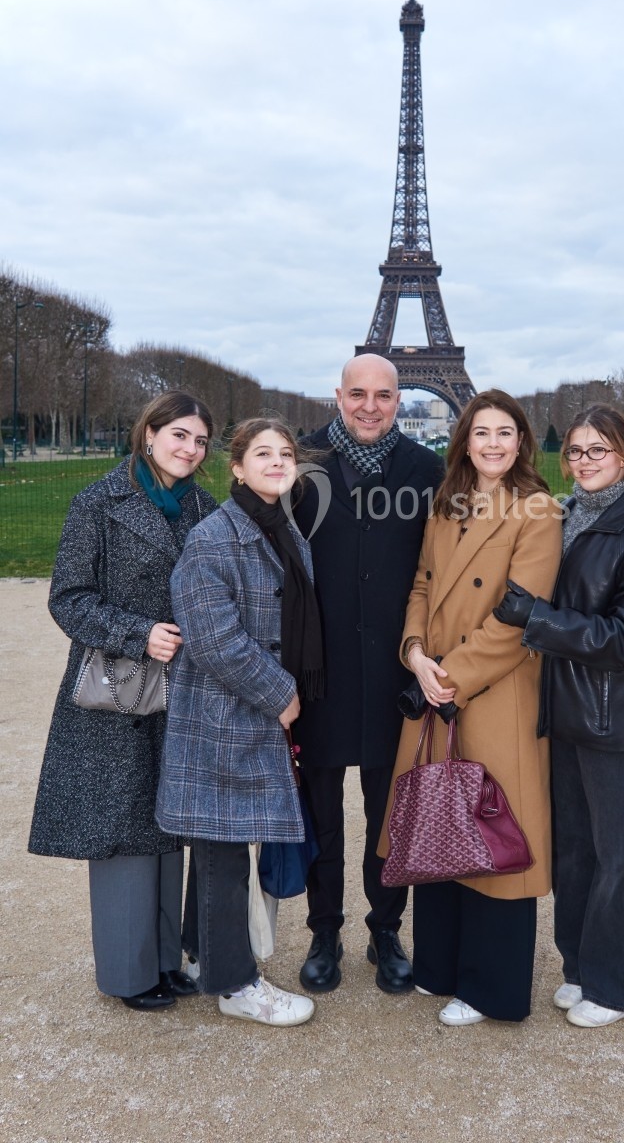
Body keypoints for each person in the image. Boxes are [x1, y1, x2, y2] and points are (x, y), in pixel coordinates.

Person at [494, 405, 624, 1028]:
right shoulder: (568, 515)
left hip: (618, 718)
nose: (583, 462)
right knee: (575, 851)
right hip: (572, 709)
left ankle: (623, 983)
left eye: (596, 451)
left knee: (620, 853)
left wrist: (537, 622)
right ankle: (580, 965)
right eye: (574, 452)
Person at [28, 392, 216, 1011]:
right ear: (150, 433)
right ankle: (129, 972)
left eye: (200, 441)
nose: (189, 449)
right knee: (119, 830)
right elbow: (68, 598)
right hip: (115, 688)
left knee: (165, 824)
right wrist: (139, 633)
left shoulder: (205, 508)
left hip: (181, 688)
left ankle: (164, 960)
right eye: (180, 435)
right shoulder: (97, 502)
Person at [384, 389, 562, 1026]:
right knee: (442, 824)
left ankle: (491, 987)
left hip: (492, 689)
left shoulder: (537, 510)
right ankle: (441, 965)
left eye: (505, 433)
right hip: (437, 682)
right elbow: (424, 584)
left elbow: (520, 615)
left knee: (494, 838)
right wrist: (414, 653)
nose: (492, 443)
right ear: (465, 441)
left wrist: (448, 675)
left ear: (521, 443)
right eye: (481, 432)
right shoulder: (447, 503)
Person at [156, 418, 322, 1028]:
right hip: (228, 714)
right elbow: (214, 638)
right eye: (263, 453)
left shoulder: (279, 525)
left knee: (219, 844)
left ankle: (204, 956)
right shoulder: (215, 538)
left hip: (247, 712)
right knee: (224, 849)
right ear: (236, 467)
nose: (277, 462)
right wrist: (281, 694)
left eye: (285, 453)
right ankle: (235, 983)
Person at [294, 354, 444, 996]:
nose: (370, 406)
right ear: (339, 395)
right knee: (319, 815)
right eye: (358, 394)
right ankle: (324, 929)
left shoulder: (428, 471)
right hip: (316, 673)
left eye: (383, 395)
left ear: (397, 398)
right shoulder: (297, 466)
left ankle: (387, 927)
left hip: (391, 673)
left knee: (391, 814)